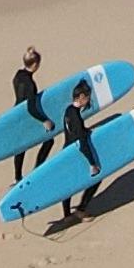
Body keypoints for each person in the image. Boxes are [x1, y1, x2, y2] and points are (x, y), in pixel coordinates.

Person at [48, 80, 100, 230]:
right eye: (88, 97)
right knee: (96, 179)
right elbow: (82, 142)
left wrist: (85, 131)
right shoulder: (76, 116)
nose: (89, 100)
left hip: (67, 150)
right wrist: (92, 163)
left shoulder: (69, 110)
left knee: (68, 183)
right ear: (82, 97)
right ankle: (81, 210)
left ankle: (67, 214)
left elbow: (74, 131)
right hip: (76, 153)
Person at [8, 48, 47, 179]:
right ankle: (38, 169)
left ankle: (17, 176)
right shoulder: (30, 84)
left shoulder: (18, 75)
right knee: (49, 140)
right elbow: (31, 108)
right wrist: (44, 121)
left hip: (16, 113)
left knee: (21, 146)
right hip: (27, 116)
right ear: (35, 65)